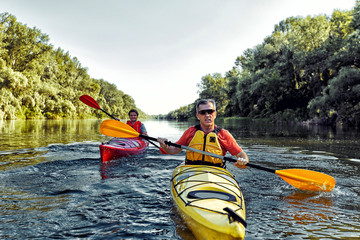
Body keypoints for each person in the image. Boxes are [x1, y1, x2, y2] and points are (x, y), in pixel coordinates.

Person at [158, 99, 249, 169]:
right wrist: (165, 146)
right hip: (191, 170)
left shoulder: (224, 134)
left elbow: (242, 155)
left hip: (216, 171)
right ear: (198, 116)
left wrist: (243, 161)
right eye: (203, 112)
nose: (207, 115)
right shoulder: (190, 132)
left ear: (215, 114)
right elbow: (174, 150)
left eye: (210, 111)